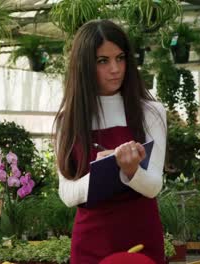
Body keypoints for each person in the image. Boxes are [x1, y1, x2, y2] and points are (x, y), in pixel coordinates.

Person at [53, 19, 167, 264]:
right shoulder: (68, 121)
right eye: (102, 61)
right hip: (91, 243)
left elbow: (154, 186)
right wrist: (102, 172)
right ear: (84, 66)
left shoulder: (151, 112)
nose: (115, 69)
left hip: (141, 239)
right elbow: (67, 193)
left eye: (120, 58)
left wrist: (131, 170)